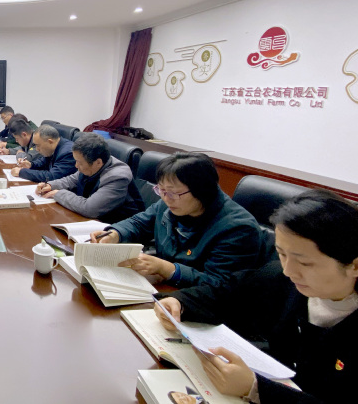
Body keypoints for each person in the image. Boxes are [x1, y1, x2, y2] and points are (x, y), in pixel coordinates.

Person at [154, 190, 358, 403]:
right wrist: (180, 302)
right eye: (282, 253)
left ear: (354, 266)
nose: (289, 270)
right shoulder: (284, 278)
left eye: (305, 263)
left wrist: (256, 389)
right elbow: (228, 292)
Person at [90, 152, 263, 288]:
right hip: (164, 288)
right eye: (161, 190)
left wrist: (167, 269)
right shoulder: (170, 202)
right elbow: (139, 222)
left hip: (200, 304)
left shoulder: (238, 228)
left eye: (172, 193)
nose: (166, 198)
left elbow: (220, 284)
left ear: (202, 190)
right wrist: (115, 234)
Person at [36, 133, 144, 222]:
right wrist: (51, 185)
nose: (76, 166)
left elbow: (90, 208)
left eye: (79, 162)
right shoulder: (94, 163)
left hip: (119, 229)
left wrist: (58, 193)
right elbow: (72, 179)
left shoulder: (117, 177)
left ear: (98, 162)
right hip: (97, 220)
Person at [11, 125, 76, 183]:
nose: (37, 149)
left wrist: (22, 172)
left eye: (38, 145)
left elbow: (51, 176)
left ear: (50, 142)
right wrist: (31, 165)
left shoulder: (68, 153)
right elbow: (43, 162)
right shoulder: (55, 147)